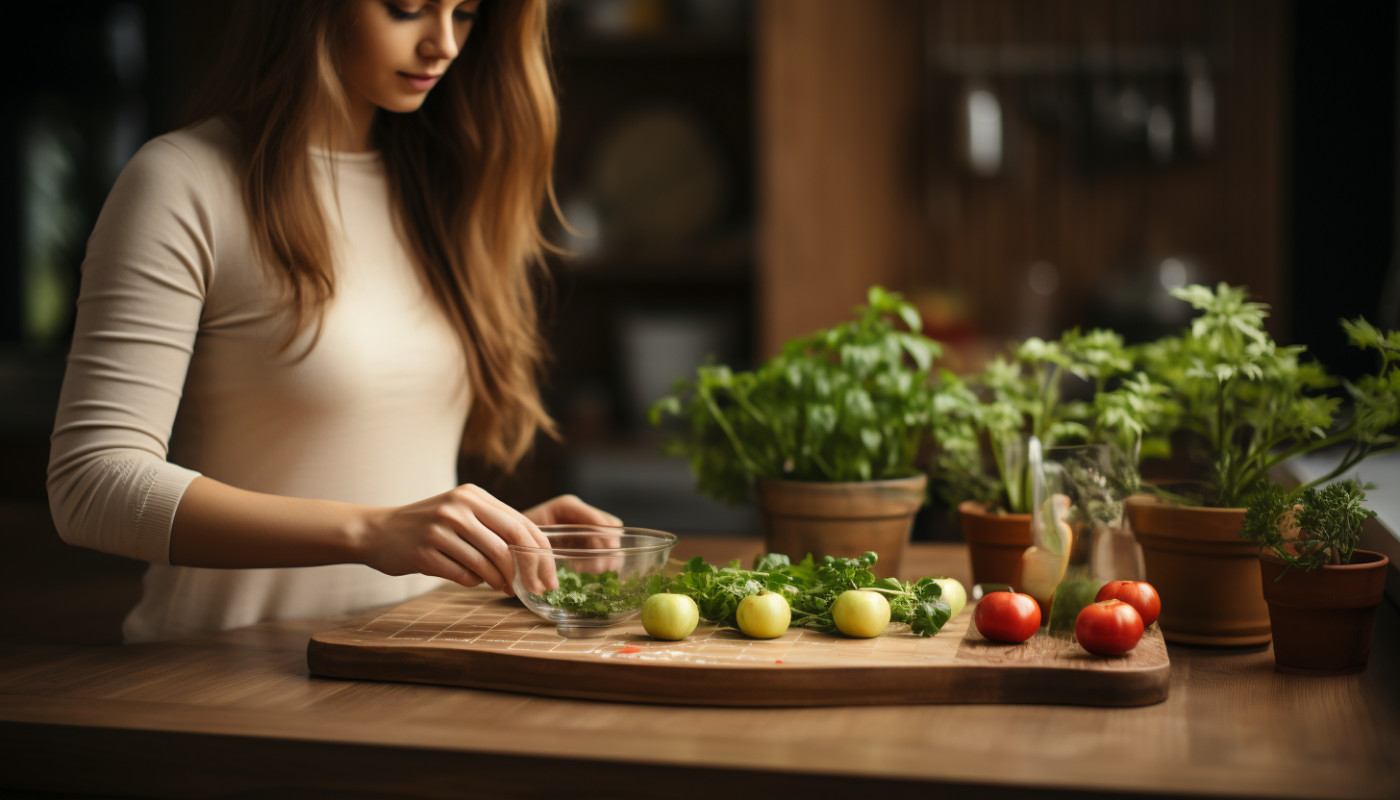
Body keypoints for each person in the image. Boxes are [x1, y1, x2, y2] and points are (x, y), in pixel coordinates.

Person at [46, 0, 619, 643]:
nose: (444, 44)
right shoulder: (183, 183)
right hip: (216, 679)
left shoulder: (444, 191)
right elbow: (91, 484)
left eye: (465, 13)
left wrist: (487, 541)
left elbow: (391, 488)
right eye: (408, 8)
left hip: (398, 666)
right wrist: (370, 531)